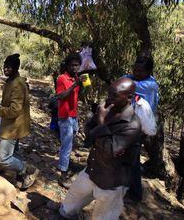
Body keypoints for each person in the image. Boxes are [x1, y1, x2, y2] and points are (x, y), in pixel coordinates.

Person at [56, 78, 142, 219]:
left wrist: (101, 122)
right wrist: (95, 118)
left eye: (115, 95)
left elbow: (109, 150)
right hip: (93, 168)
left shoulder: (133, 124)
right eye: (109, 93)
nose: (109, 98)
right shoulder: (107, 109)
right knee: (70, 202)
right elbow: (89, 134)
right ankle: (66, 214)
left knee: (103, 215)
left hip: (112, 181)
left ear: (129, 97)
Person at [0, 54, 39, 189]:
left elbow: (14, 110)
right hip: (12, 124)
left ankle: (28, 169)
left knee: (3, 158)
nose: (5, 70)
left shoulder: (17, 84)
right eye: (4, 67)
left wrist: (0, 110)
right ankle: (21, 175)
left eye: (8, 67)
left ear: (15, 68)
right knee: (13, 153)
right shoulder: (10, 82)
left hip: (13, 127)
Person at [124, 55, 159, 203]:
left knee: (133, 159)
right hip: (130, 123)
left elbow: (124, 83)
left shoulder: (149, 85)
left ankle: (136, 194)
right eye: (135, 70)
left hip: (139, 127)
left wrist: (126, 79)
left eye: (140, 71)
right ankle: (126, 186)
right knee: (129, 156)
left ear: (149, 71)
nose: (136, 73)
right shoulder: (136, 79)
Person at [56, 53, 87, 188]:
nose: (75, 68)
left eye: (77, 65)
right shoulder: (62, 78)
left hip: (73, 116)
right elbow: (61, 96)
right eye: (72, 65)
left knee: (69, 143)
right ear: (67, 65)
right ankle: (62, 174)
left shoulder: (76, 78)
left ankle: (66, 165)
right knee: (66, 145)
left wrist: (82, 85)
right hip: (65, 116)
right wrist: (75, 84)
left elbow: (76, 96)